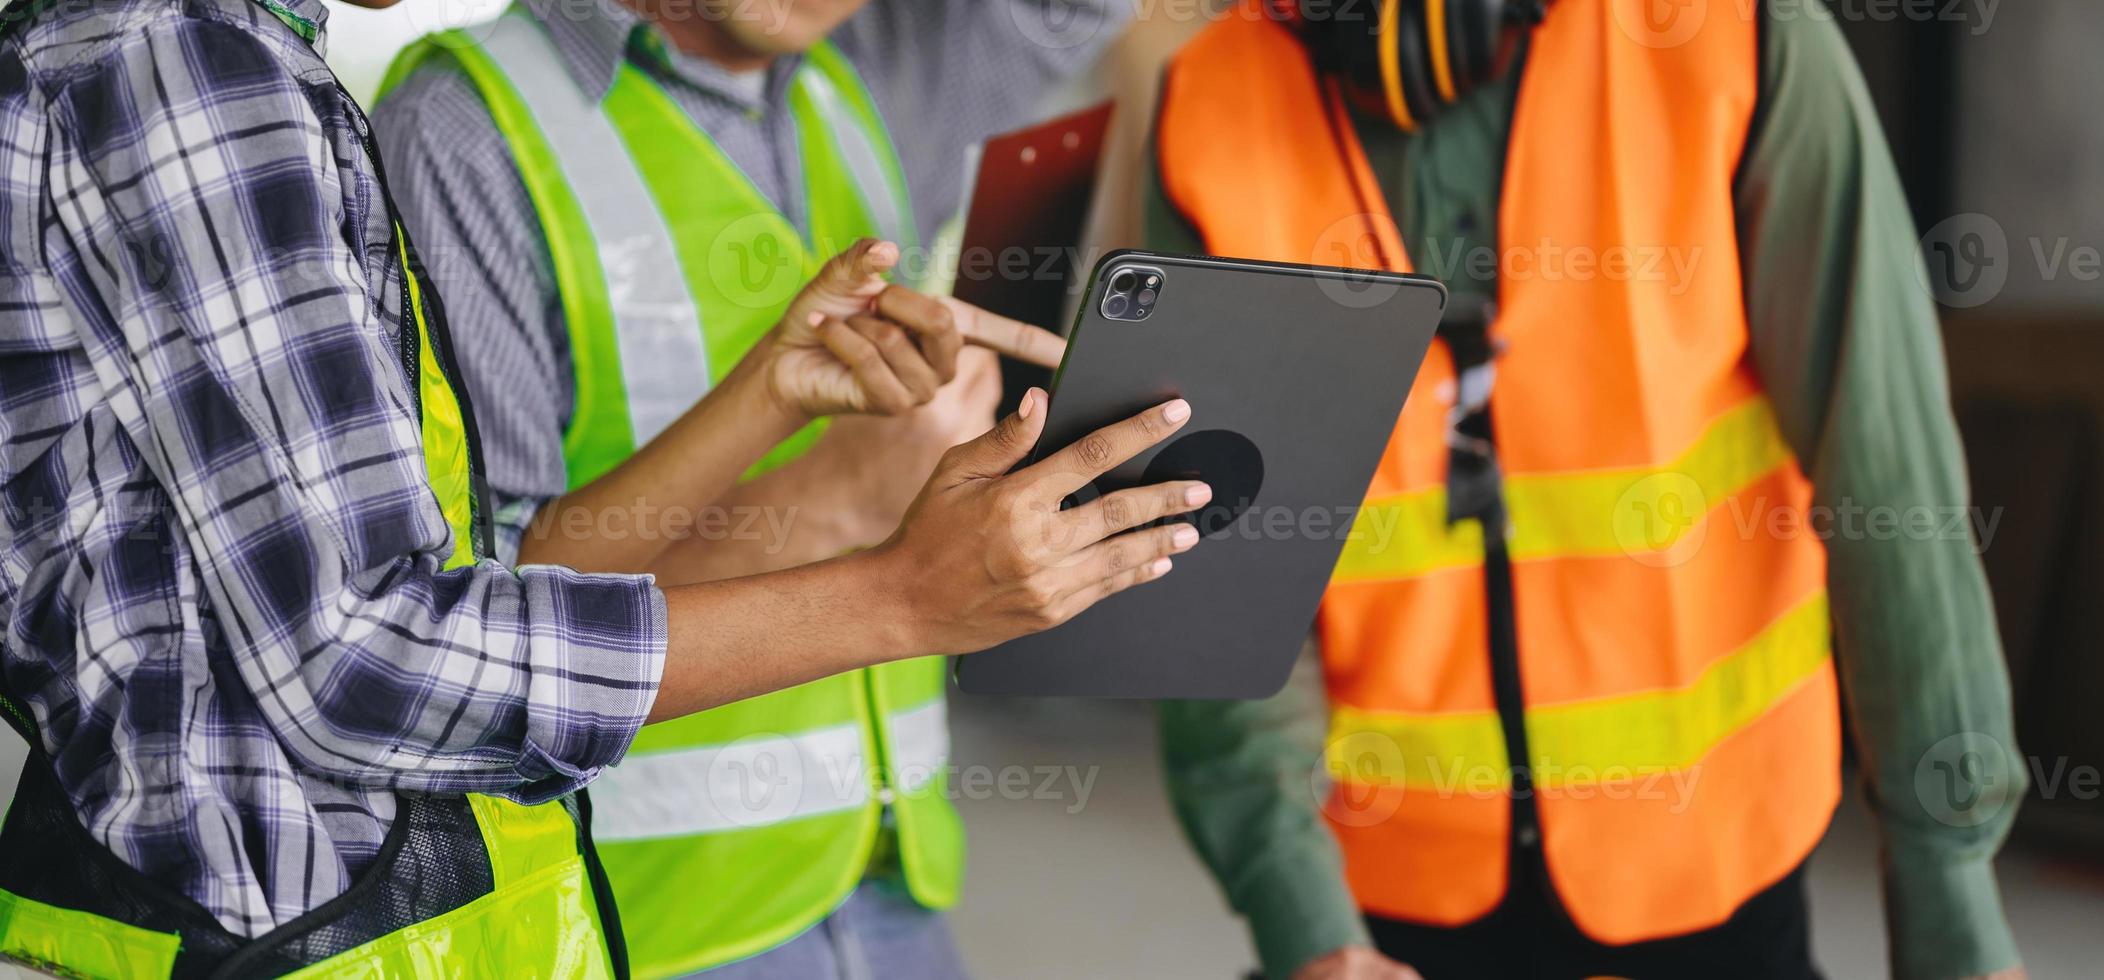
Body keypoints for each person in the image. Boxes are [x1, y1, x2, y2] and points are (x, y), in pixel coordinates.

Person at [0, 0, 1208, 974]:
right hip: (487, 907)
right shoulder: (204, 73)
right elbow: (366, 652)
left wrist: (767, 398)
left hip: (843, 868)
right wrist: (899, 587)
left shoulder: (235, 63)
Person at [1147, 2, 2027, 979]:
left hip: (1716, 872)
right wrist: (1303, 921)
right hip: (1390, 899)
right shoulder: (1209, 107)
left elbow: (1887, 472)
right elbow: (1211, 582)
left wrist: (1954, 903)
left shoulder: (1731, 37)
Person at [370, 0, 1125, 975]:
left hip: (891, 884)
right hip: (640, 914)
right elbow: (468, 630)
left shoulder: (858, 86)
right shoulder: (459, 127)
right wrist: (840, 496)